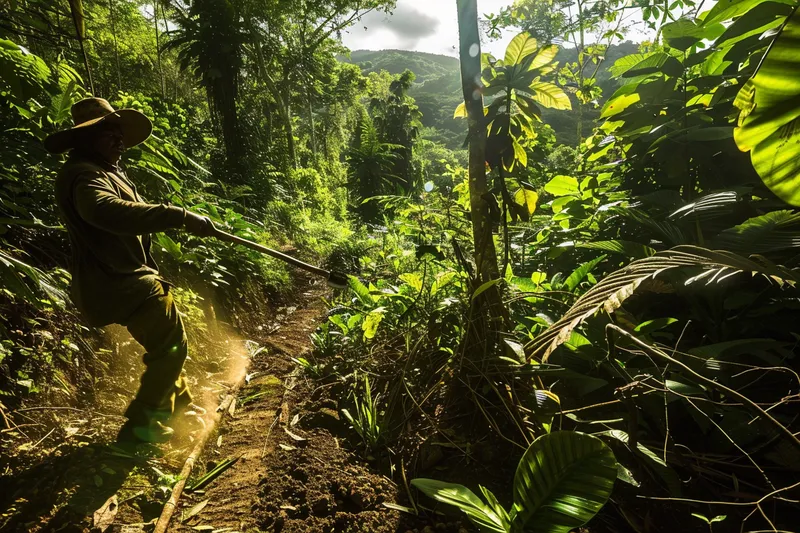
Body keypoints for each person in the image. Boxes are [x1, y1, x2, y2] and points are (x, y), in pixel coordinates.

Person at [44, 97, 215, 448]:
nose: (119, 140)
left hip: (123, 279)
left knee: (166, 347)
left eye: (120, 133)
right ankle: (141, 427)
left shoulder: (105, 171)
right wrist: (178, 216)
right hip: (118, 282)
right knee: (171, 345)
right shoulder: (84, 175)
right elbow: (104, 212)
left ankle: (181, 409)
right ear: (84, 138)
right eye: (110, 132)